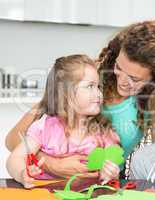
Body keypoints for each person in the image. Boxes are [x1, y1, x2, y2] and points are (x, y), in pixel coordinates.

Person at [5, 20, 155, 178]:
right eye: (118, 67)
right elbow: (12, 139)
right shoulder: (87, 76)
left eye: (134, 78)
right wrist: (50, 163)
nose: (121, 81)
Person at [6, 55, 120, 188]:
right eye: (90, 86)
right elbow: (14, 159)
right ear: (65, 93)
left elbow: (113, 171)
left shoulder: (103, 131)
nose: (99, 94)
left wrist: (110, 173)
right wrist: (22, 174)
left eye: (98, 86)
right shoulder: (45, 128)